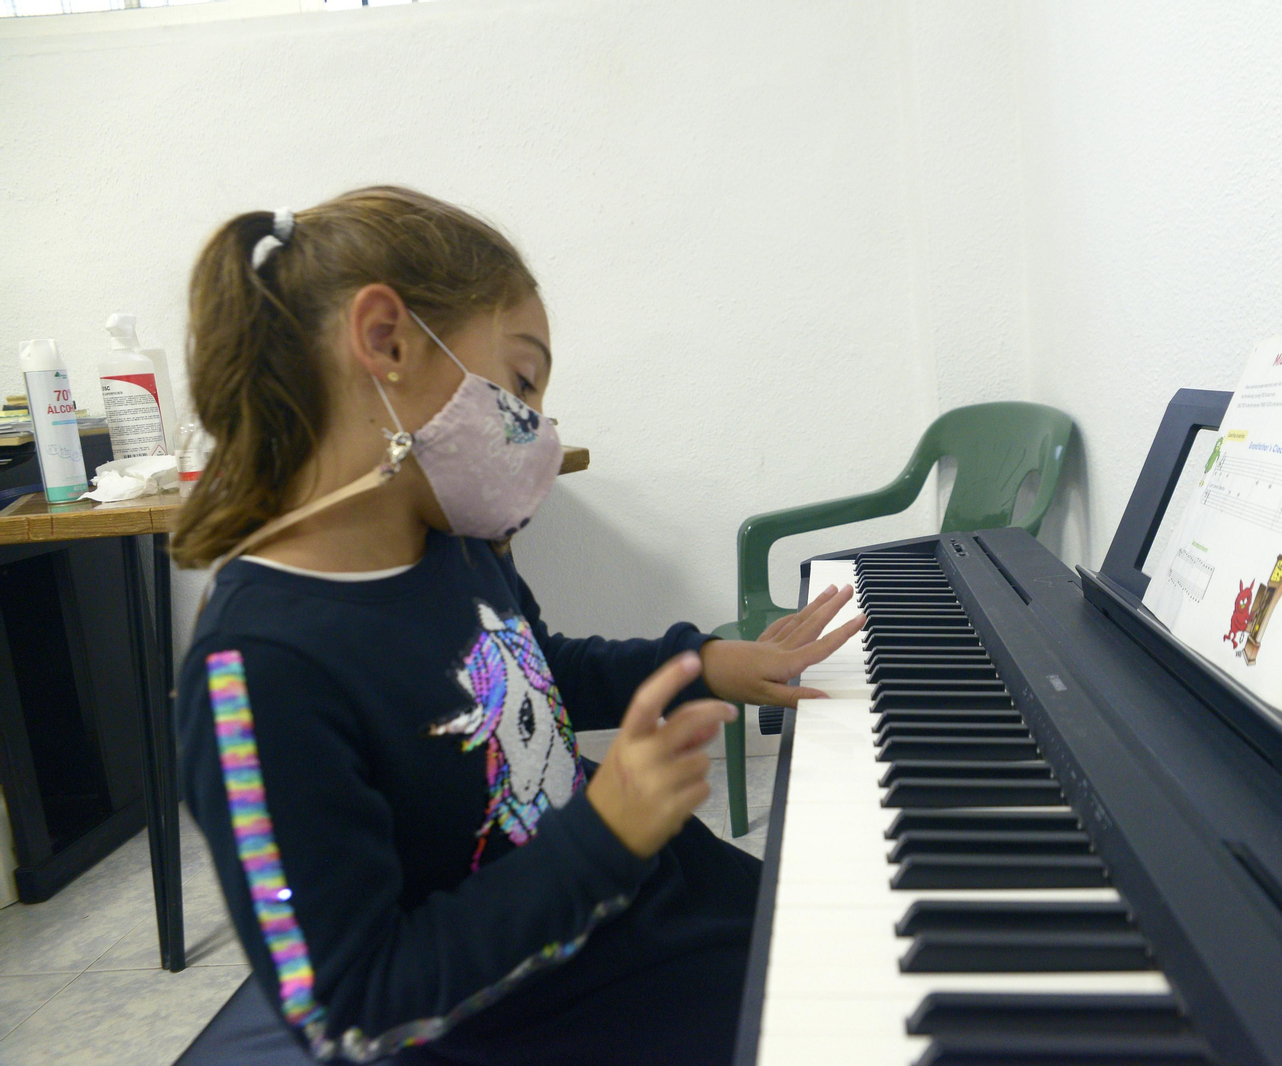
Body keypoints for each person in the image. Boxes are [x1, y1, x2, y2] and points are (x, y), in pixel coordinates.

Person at [171, 186, 863, 1066]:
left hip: (660, 915)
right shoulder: (257, 670)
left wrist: (705, 661)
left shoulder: (458, 545)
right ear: (385, 340)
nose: (535, 422)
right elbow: (353, 1008)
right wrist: (601, 837)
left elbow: (542, 667)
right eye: (522, 379)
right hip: (543, 1018)